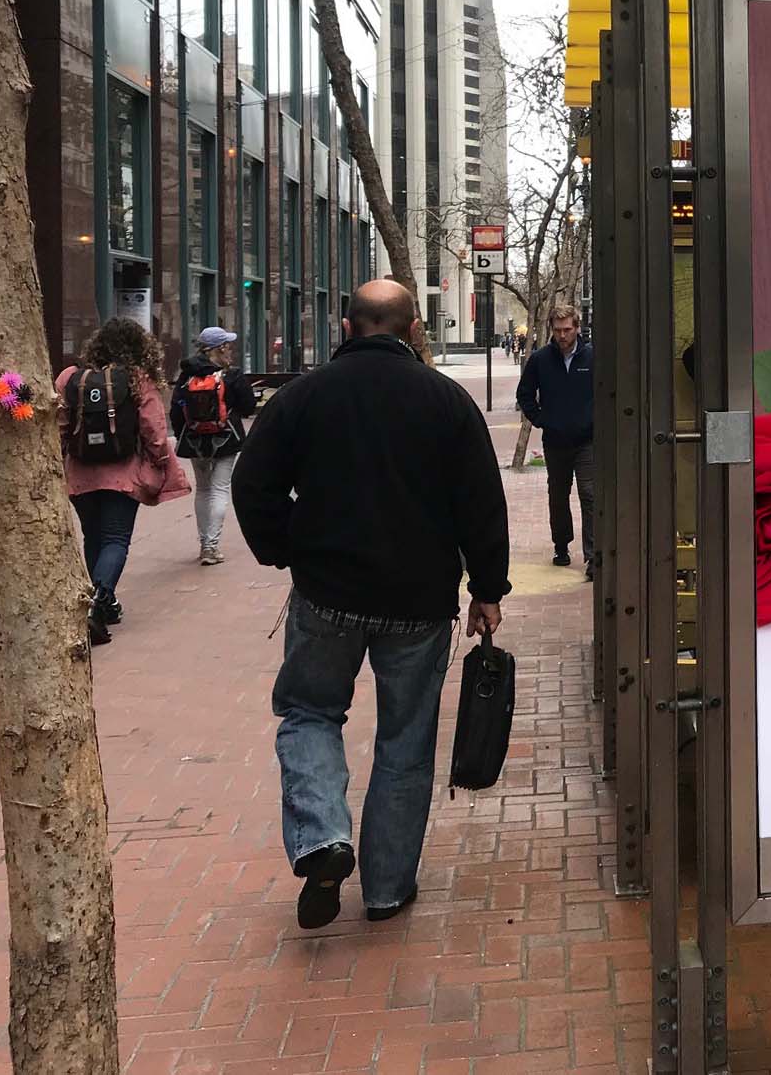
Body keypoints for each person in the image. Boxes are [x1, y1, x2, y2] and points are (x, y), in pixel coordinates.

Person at [233, 280, 510, 928]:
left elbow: (252, 481)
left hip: (327, 594)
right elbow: (481, 503)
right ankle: (386, 889)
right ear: (414, 328)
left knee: (308, 711)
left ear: (348, 324)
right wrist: (487, 590)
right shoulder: (447, 402)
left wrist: (285, 547)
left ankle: (324, 836)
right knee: (405, 742)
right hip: (419, 602)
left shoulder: (303, 396)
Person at [58, 317, 191, 643]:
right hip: (123, 472)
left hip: (79, 473)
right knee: (116, 539)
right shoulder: (137, 380)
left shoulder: (70, 378)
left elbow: (59, 424)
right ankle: (97, 604)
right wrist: (161, 463)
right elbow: (155, 431)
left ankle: (100, 603)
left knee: (94, 538)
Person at [516, 303, 595, 576]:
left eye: (567, 330)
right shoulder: (540, 359)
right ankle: (561, 545)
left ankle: (593, 556)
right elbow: (524, 394)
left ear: (577, 328)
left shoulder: (592, 357)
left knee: (589, 493)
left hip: (587, 440)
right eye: (558, 330)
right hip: (556, 440)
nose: (562, 335)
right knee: (558, 495)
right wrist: (541, 419)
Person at [170, 325, 258, 565]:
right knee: (219, 490)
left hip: (195, 440)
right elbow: (249, 405)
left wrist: (182, 435)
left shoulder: (186, 374)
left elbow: (176, 409)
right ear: (218, 349)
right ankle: (212, 546)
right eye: (228, 347)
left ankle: (203, 544)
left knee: (203, 490)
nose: (231, 351)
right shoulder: (232, 375)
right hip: (226, 439)